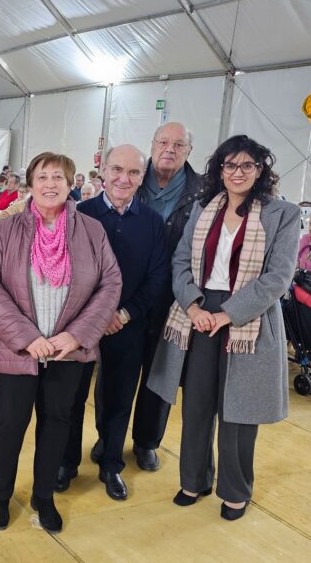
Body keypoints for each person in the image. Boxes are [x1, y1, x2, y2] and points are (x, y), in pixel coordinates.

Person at [147, 135, 299, 521]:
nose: (237, 172)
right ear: (219, 169)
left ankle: (235, 490)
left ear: (260, 170)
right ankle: (194, 480)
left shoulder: (282, 213)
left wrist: (227, 314)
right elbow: (180, 262)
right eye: (230, 165)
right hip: (199, 313)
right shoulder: (203, 208)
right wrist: (194, 305)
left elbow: (278, 277)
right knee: (197, 404)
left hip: (248, 317)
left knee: (238, 411)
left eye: (247, 165)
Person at [0, 152, 121, 532]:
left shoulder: (91, 230)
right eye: (43, 177)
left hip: (67, 351)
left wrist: (76, 335)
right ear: (31, 184)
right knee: (8, 424)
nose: (50, 184)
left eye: (59, 176)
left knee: (58, 421)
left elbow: (110, 284)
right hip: (17, 348)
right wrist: (26, 337)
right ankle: (0, 496)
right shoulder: (5, 230)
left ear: (72, 183)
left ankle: (43, 497)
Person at [88, 122, 202, 472]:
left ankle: (147, 441)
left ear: (188, 151)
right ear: (152, 145)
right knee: (114, 375)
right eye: (163, 141)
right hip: (123, 294)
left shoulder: (202, 191)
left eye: (179, 144)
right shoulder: (131, 176)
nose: (170, 149)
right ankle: (108, 437)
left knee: (160, 372)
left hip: (171, 297)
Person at [61, 145, 168, 501]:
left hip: (128, 324)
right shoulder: (79, 214)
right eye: (117, 170)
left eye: (134, 173)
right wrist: (97, 315)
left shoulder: (152, 222)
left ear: (142, 178)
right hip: (81, 325)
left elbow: (158, 277)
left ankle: (110, 464)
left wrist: (123, 314)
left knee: (120, 397)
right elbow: (67, 271)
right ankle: (66, 463)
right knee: (72, 396)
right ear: (102, 172)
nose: (124, 179)